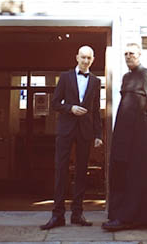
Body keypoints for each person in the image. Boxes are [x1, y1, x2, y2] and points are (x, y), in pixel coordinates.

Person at [102, 42, 147, 231]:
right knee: (120, 173)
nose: (128, 56)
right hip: (122, 134)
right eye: (126, 54)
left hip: (138, 136)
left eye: (132, 53)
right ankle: (119, 215)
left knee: (135, 175)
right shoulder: (125, 77)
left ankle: (131, 218)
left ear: (139, 55)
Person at [40, 45, 103, 230]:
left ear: (93, 59)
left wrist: (98, 134)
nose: (85, 61)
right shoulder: (65, 77)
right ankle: (57, 215)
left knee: (82, 172)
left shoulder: (95, 81)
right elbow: (55, 103)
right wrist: (71, 108)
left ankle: (77, 214)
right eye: (82, 57)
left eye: (89, 58)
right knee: (61, 170)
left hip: (85, 131)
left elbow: (96, 110)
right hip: (66, 129)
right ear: (77, 57)